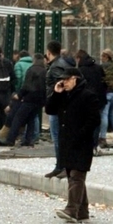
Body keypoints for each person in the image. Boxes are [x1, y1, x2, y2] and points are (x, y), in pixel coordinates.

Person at [45, 67, 100, 223]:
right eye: (63, 80)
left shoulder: (88, 95)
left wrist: (81, 134)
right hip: (67, 142)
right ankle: (82, 211)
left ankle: (71, 210)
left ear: (75, 79)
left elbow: (94, 120)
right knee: (73, 175)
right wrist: (56, 93)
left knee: (77, 175)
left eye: (67, 79)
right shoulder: (64, 95)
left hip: (82, 142)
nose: (64, 82)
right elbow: (50, 109)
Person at [2, 53, 47, 146]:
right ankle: (29, 140)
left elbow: (26, 85)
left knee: (18, 118)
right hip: (39, 100)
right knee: (31, 119)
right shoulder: (44, 71)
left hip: (29, 98)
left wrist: (20, 95)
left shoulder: (31, 70)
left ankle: (10, 139)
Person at [43, 41, 72, 179]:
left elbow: (60, 86)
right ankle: (60, 166)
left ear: (49, 52)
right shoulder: (63, 64)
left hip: (57, 107)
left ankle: (62, 166)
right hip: (59, 106)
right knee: (59, 137)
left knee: (58, 137)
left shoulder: (55, 67)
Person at [75, 49, 107, 153]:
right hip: (99, 99)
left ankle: (87, 145)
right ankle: (95, 144)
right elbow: (105, 82)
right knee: (96, 121)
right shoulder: (98, 67)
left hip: (85, 99)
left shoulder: (80, 70)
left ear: (79, 59)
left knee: (85, 122)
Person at [99, 49, 113, 146]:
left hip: (107, 93)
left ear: (106, 57)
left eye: (102, 56)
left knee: (104, 115)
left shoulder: (103, 67)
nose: (101, 58)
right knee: (112, 115)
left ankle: (102, 137)